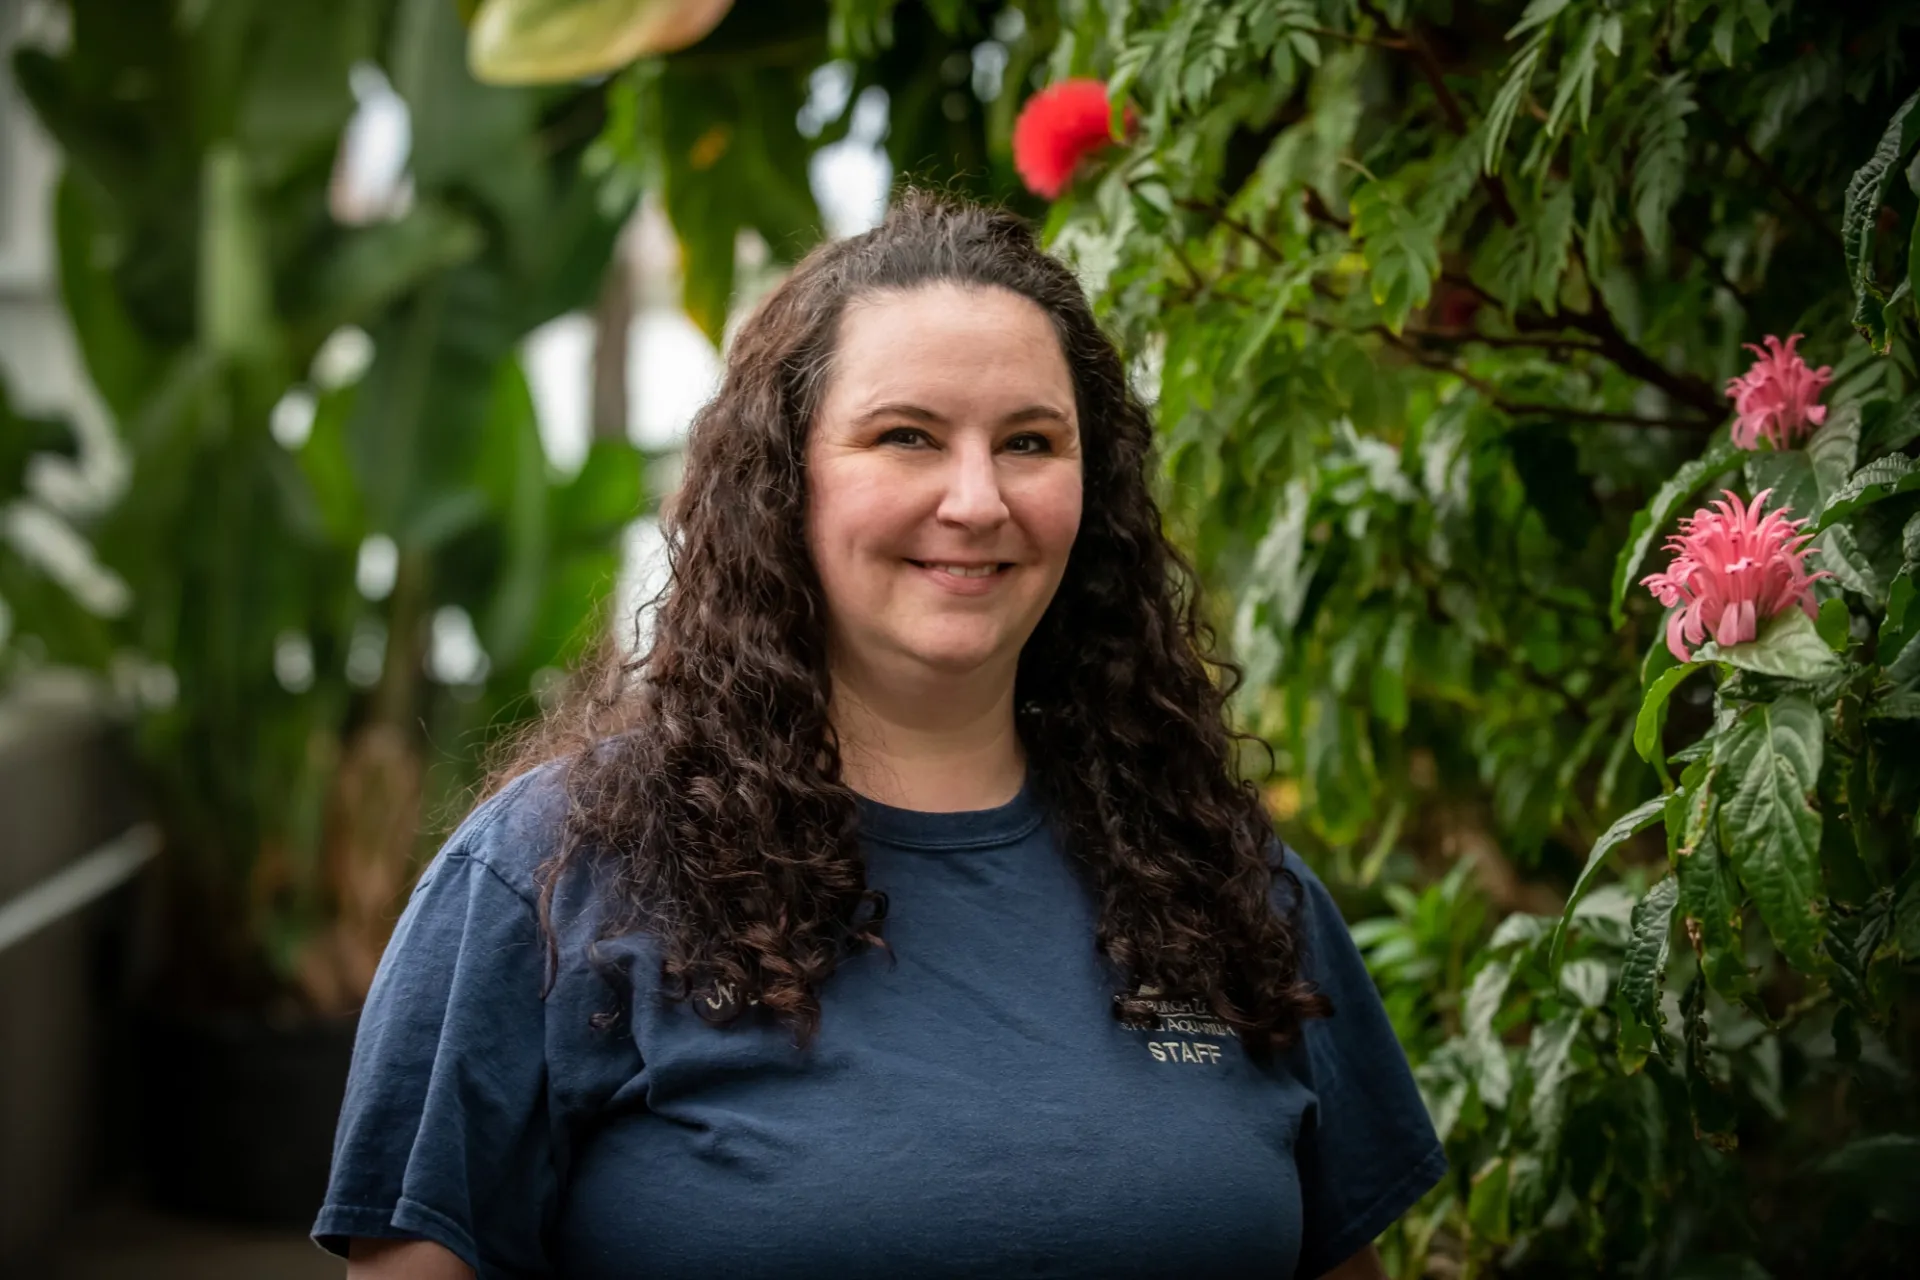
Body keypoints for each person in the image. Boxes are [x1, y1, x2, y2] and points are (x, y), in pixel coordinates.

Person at [314, 191, 1445, 1280]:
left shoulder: (1227, 889)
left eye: (1030, 441)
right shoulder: (549, 882)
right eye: (906, 435)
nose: (976, 499)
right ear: (782, 482)